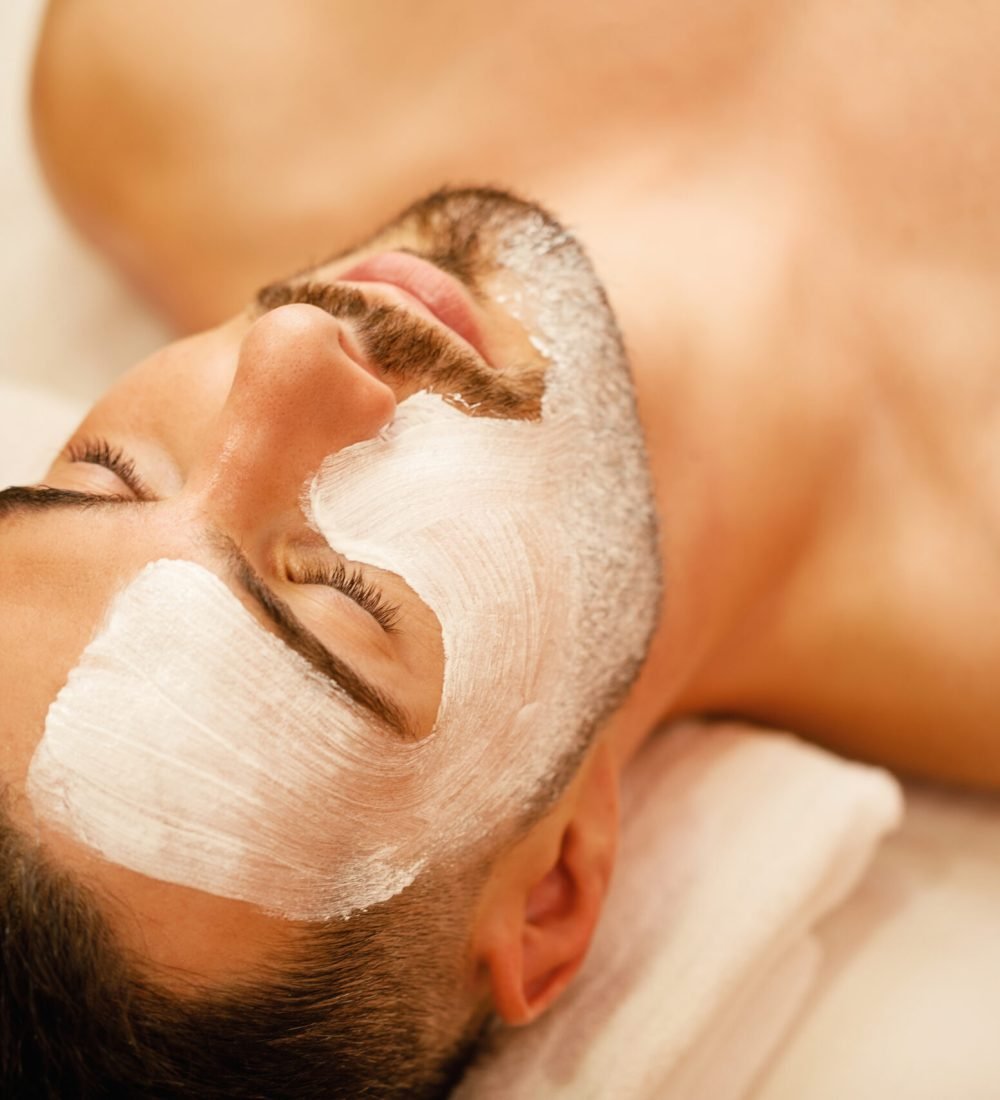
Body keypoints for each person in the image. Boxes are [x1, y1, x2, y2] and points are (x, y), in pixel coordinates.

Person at [3, 2, 999, 1096]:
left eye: (101, 473)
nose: (287, 350)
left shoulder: (187, 70)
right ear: (553, 895)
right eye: (339, 594)